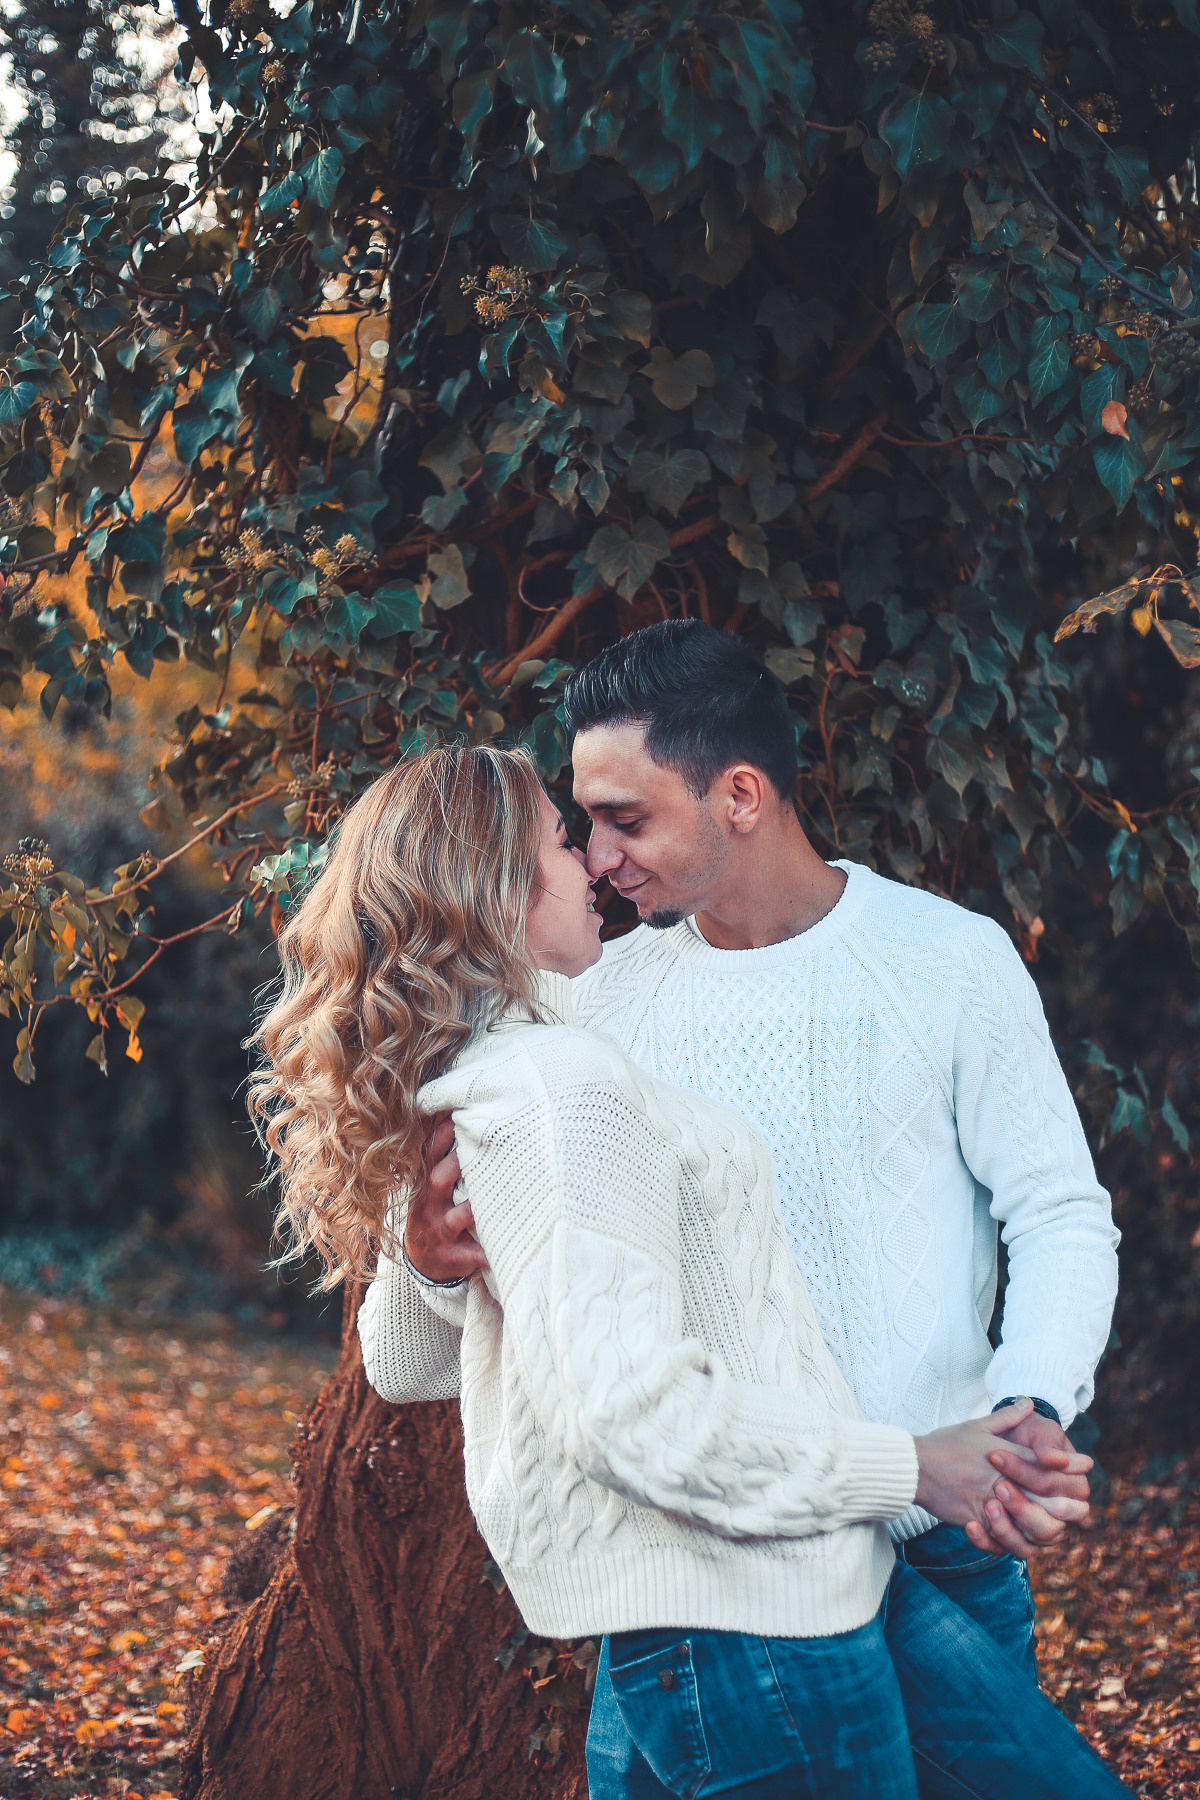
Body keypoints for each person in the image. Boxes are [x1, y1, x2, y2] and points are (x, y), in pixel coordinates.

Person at [249, 742, 1127, 1799]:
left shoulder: (935, 960)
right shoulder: (562, 1049)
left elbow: (1058, 1211)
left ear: (741, 796)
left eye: (621, 821)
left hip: (872, 1547)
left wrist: (1021, 1413)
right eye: (569, 836)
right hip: (742, 1580)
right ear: (497, 885)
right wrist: (429, 1264)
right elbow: (448, 1371)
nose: (598, 861)